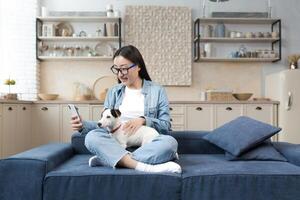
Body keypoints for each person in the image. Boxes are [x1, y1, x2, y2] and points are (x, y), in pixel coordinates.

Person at [70, 45, 181, 173]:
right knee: (91, 137)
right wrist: (82, 125)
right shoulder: (113, 92)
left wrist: (143, 120)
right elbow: (106, 124)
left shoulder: (157, 91)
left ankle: (113, 159)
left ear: (138, 66)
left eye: (124, 69)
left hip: (147, 147)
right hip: (117, 144)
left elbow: (165, 126)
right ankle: (145, 166)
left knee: (170, 143)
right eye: (116, 69)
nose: (120, 74)